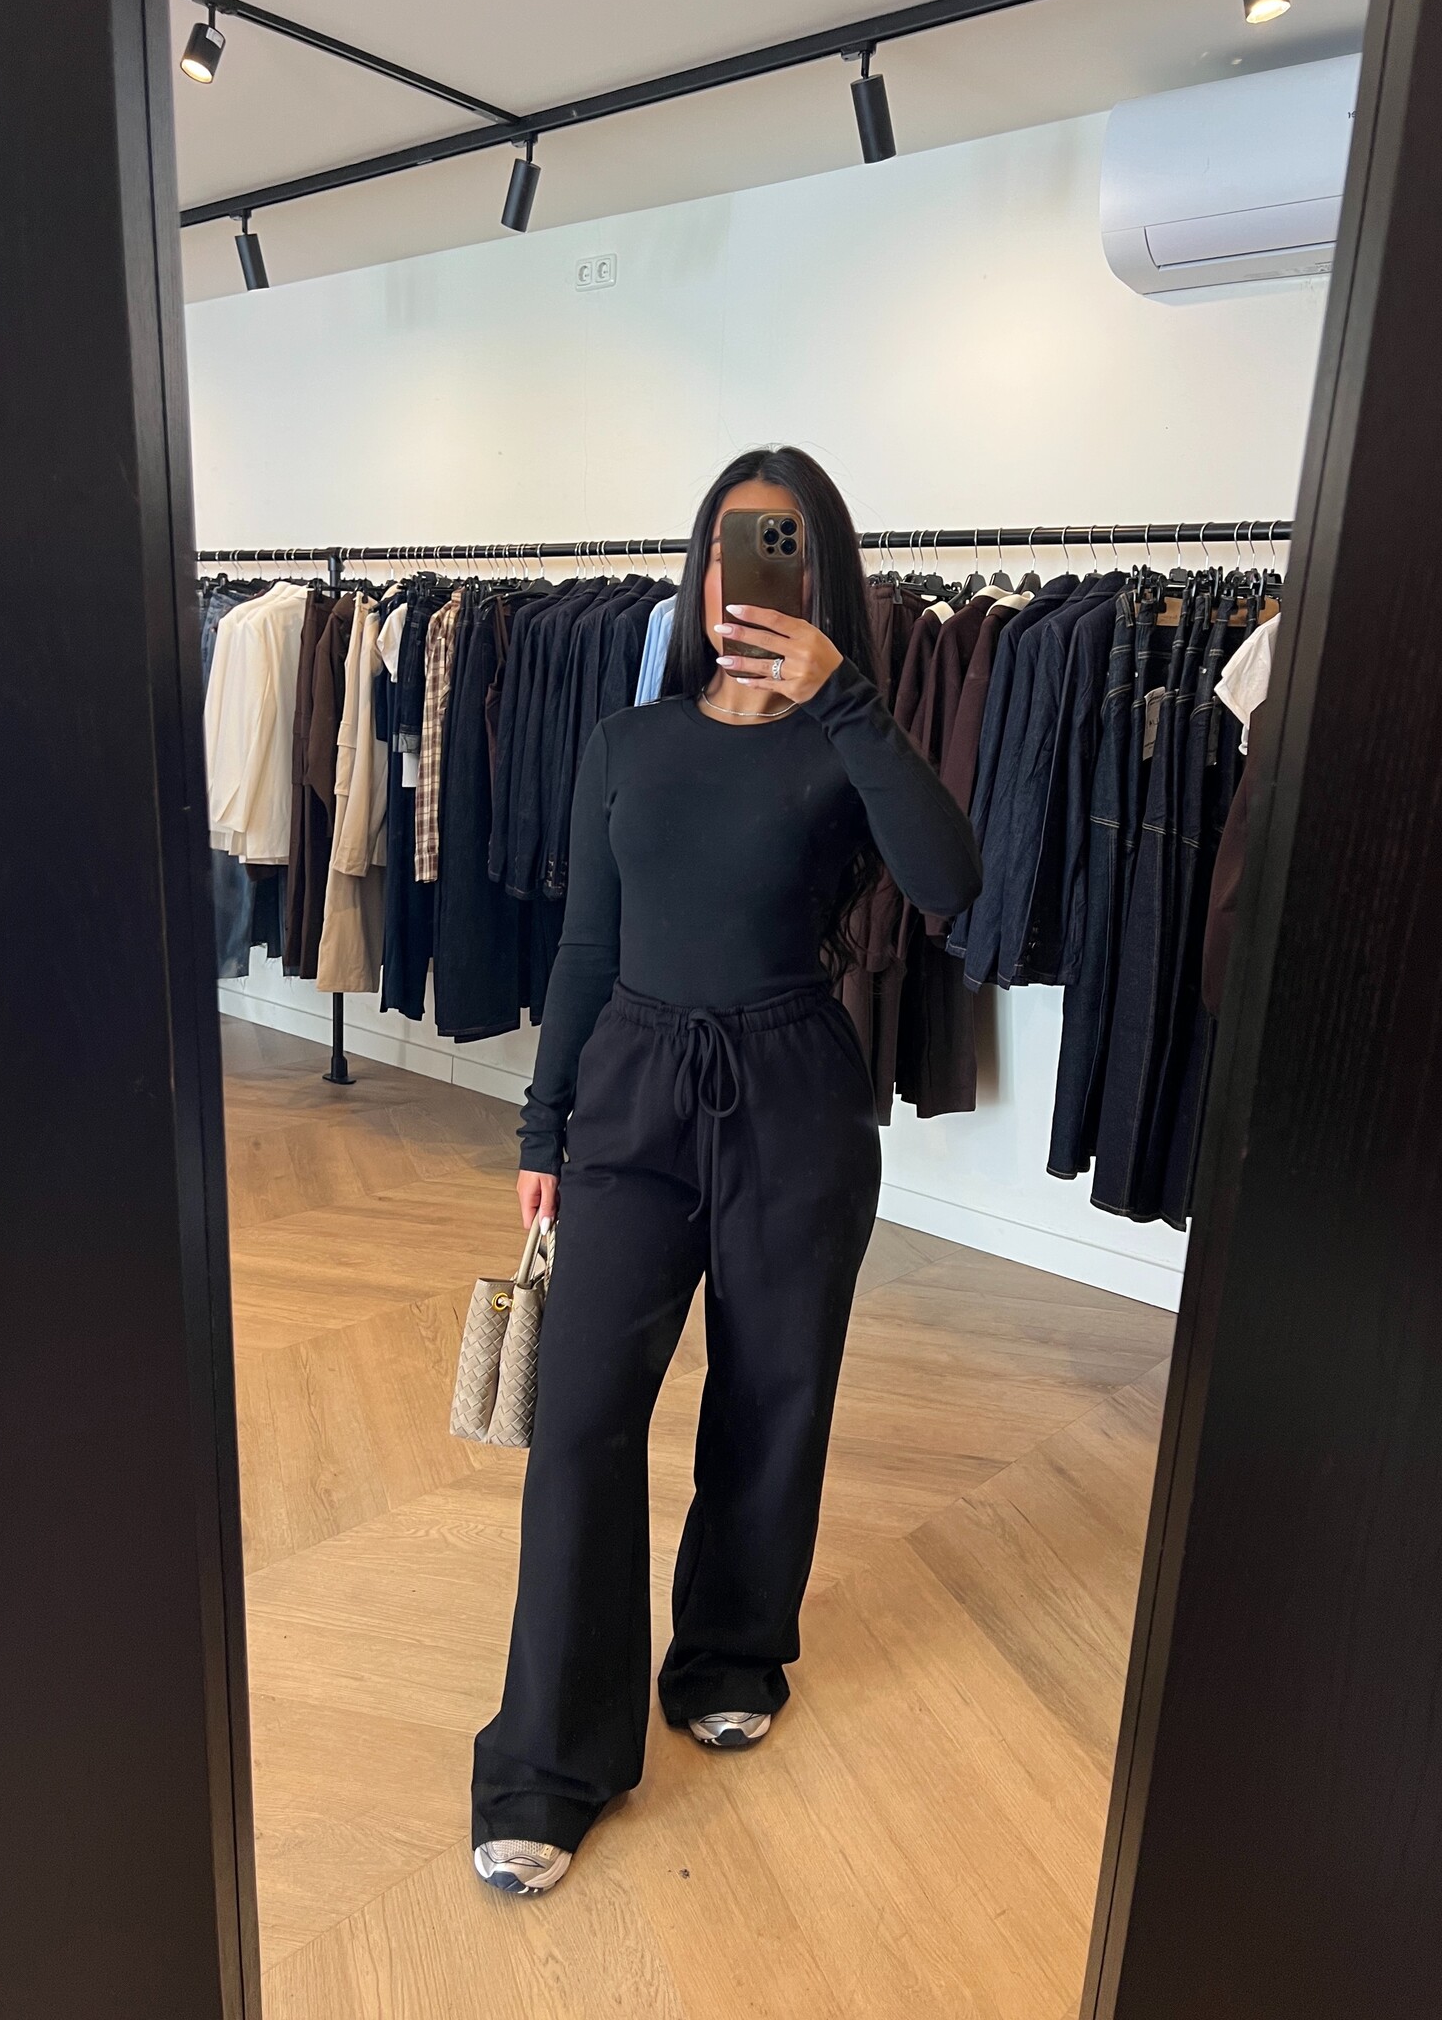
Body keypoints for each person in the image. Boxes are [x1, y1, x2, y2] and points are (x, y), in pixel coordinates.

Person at [471, 447, 982, 1894]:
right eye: (724, 546)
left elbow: (950, 885)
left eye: (778, 546)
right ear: (698, 571)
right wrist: (542, 1126)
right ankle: (548, 1763)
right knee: (581, 1423)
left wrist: (850, 701)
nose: (738, 575)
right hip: (633, 1095)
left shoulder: (846, 741)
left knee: (772, 1399)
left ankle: (730, 1656)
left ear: (822, 578)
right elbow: (586, 947)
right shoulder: (627, 743)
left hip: (793, 1098)